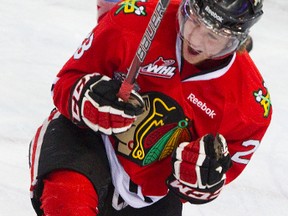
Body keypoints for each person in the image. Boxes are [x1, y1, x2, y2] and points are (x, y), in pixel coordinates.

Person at [29, 0, 272, 215]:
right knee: (69, 201)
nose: (196, 39)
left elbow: (215, 177)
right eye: (194, 21)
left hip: (154, 192)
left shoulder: (250, 105)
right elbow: (64, 83)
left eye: (213, 36)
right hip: (88, 142)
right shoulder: (132, 20)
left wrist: (198, 177)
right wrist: (87, 99)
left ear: (236, 41)